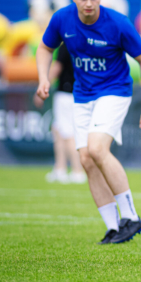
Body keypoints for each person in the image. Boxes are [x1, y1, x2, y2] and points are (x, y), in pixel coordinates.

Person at [36, 0, 141, 244]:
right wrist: (43, 78)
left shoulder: (118, 23)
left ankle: (131, 217)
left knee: (97, 149)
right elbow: (44, 48)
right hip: (82, 95)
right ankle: (113, 227)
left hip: (114, 92)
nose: (88, 3)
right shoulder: (62, 18)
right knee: (87, 160)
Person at [42, 43, 86, 184]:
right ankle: (60, 168)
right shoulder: (83, 42)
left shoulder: (67, 44)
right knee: (58, 130)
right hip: (77, 93)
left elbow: (57, 67)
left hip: (66, 94)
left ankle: (77, 171)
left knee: (68, 133)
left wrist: (43, 85)